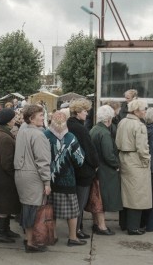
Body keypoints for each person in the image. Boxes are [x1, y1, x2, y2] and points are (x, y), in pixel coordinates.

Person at [45, 111, 86, 246]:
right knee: (73, 212)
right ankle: (73, 237)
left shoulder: (44, 136)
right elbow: (80, 160)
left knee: (52, 210)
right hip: (68, 181)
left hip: (49, 181)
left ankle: (53, 236)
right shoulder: (71, 138)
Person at [14, 104, 51, 252]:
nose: (43, 117)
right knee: (34, 209)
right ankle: (31, 242)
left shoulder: (22, 131)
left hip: (21, 174)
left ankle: (28, 239)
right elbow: (43, 161)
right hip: (33, 176)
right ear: (31, 118)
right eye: (40, 115)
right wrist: (47, 182)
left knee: (27, 208)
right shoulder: (38, 134)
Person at [116, 99, 151, 235]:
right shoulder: (139, 126)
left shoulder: (122, 122)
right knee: (137, 195)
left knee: (125, 193)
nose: (145, 111)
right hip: (136, 160)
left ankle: (124, 223)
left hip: (123, 157)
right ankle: (133, 227)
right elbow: (142, 147)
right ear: (136, 111)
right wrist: (146, 160)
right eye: (144, 109)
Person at [67, 98, 98, 239]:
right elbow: (89, 150)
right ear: (78, 112)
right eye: (85, 111)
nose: (87, 114)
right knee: (80, 202)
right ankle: (77, 230)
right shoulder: (80, 128)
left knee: (76, 202)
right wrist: (96, 164)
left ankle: (77, 229)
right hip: (83, 171)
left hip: (72, 169)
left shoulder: (69, 125)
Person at [0, 108, 22, 243]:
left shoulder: (1, 133)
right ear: (8, 121)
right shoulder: (5, 137)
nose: (15, 120)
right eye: (13, 118)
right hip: (5, 179)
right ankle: (0, 233)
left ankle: (6, 230)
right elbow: (6, 162)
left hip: (2, 178)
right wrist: (15, 173)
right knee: (4, 205)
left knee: (6, 205)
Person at [89, 105, 120, 235]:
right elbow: (108, 154)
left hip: (95, 169)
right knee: (102, 199)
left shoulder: (94, 129)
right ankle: (102, 226)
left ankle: (96, 224)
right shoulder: (105, 133)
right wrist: (117, 164)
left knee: (96, 198)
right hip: (105, 171)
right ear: (108, 119)